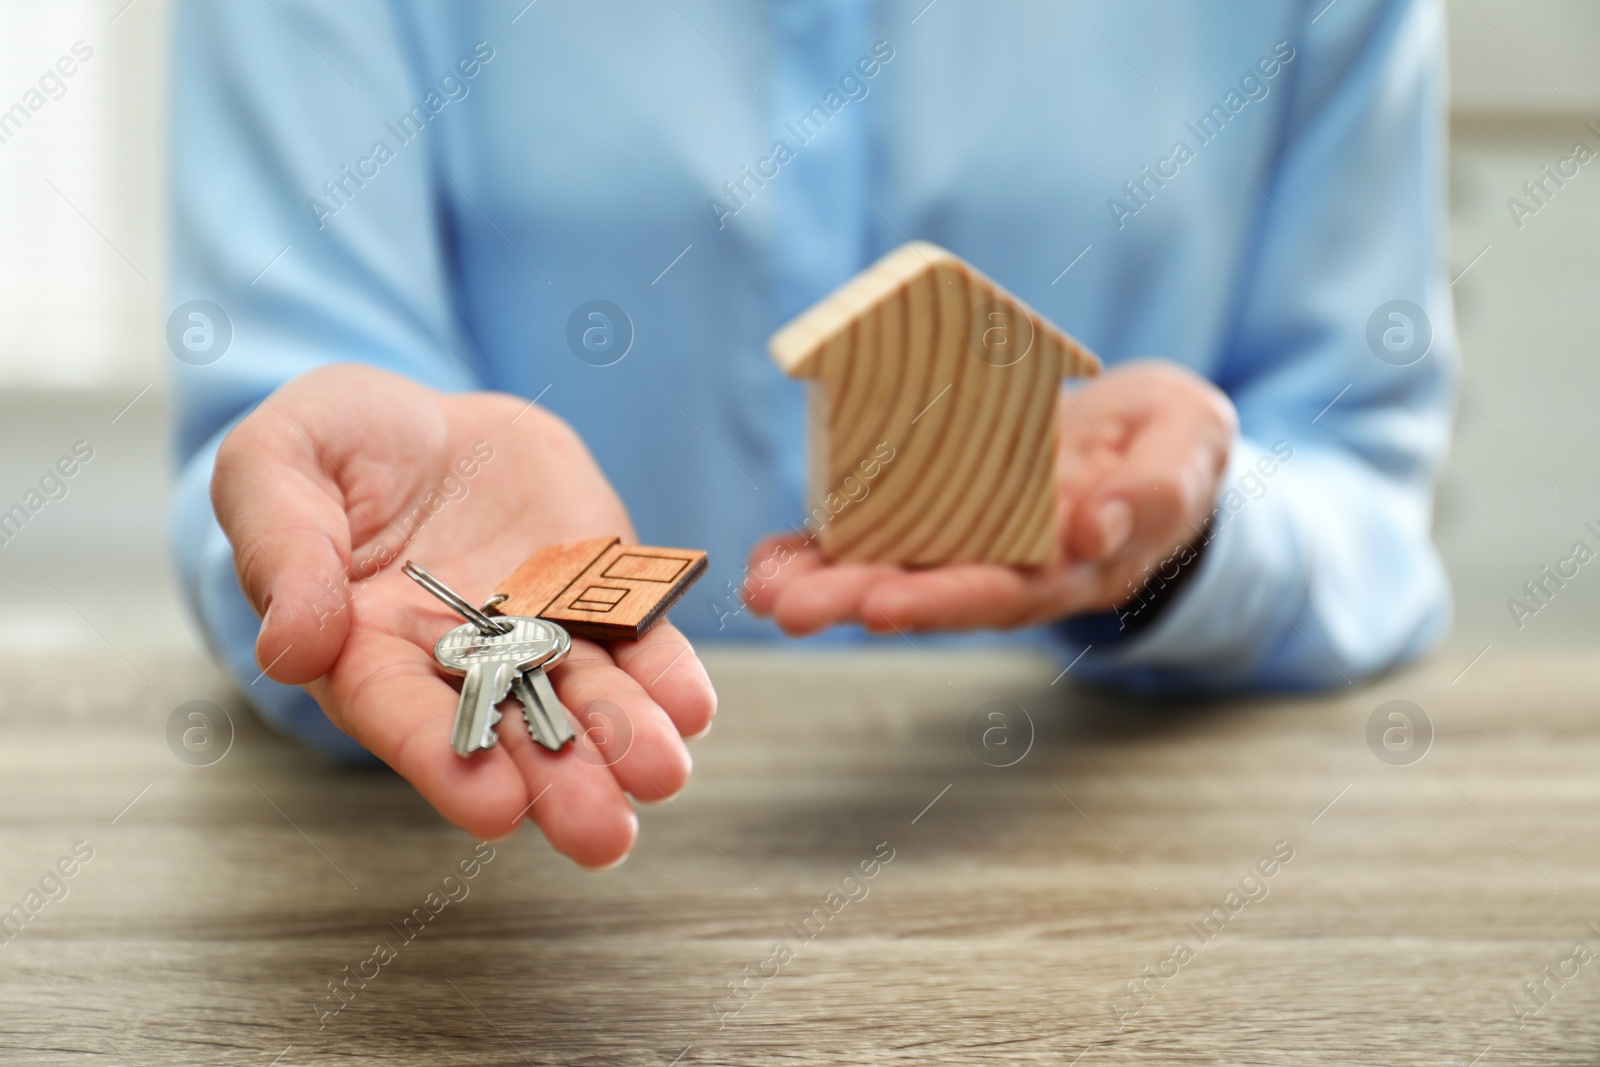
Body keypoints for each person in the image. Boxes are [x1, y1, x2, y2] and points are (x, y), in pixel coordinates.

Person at [168, 0, 1456, 869]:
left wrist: (1186, 543)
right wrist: (335, 545)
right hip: (484, 894)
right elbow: (283, 438)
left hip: (1100, 847)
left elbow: (1362, 479)